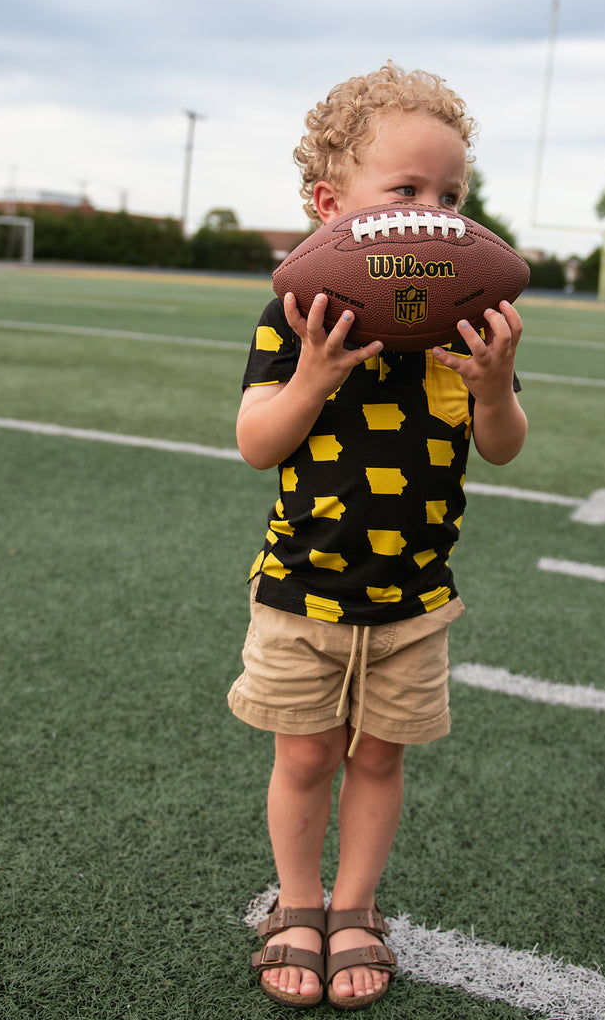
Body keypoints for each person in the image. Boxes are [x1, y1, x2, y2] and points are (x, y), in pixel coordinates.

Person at [228, 62, 526, 1009]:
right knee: (305, 754)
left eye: (454, 196)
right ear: (333, 206)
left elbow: (505, 448)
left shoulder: (470, 321)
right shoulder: (295, 314)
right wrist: (313, 375)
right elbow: (255, 442)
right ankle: (301, 902)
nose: (436, 214)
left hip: (414, 599)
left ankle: (356, 906)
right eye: (407, 192)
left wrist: (495, 387)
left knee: (380, 757)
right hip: (300, 589)